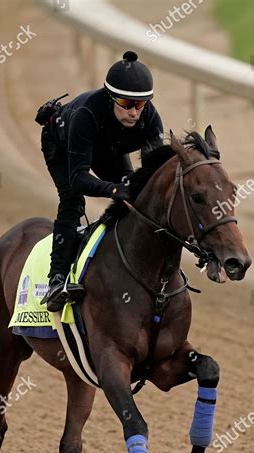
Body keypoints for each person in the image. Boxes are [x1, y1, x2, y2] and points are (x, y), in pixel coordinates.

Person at [39, 50, 164, 312]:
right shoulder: (87, 113)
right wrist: (116, 189)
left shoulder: (150, 118)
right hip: (63, 145)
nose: (134, 112)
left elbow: (154, 172)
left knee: (139, 198)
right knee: (73, 200)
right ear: (110, 98)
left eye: (140, 104)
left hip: (109, 148)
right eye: (125, 103)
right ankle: (56, 281)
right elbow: (78, 179)